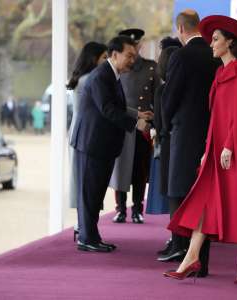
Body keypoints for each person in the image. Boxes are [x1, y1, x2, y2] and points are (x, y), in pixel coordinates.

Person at [163, 15, 237, 283]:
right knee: (206, 201)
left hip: (236, 150)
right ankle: (191, 257)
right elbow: (216, 116)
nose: (210, 44)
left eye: (215, 39)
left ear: (229, 42)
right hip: (216, 150)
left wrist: (228, 146)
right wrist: (208, 148)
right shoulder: (220, 72)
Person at [69, 35, 152, 252]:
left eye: (134, 56)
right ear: (114, 55)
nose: (133, 60)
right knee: (89, 194)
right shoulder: (101, 76)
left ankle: (91, 236)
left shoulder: (110, 74)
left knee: (95, 194)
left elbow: (115, 106)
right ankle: (87, 239)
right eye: (129, 56)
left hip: (101, 145)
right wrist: (136, 123)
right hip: (91, 144)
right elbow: (108, 109)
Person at [157, 10, 220, 275]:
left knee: (179, 194)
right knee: (202, 196)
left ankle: (182, 251)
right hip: (210, 135)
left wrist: (163, 126)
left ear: (181, 28)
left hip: (183, 135)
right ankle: (201, 261)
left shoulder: (181, 56)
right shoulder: (214, 56)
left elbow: (169, 97)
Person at [109, 28, 159, 224]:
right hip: (123, 124)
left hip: (142, 125)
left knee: (139, 169)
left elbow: (157, 98)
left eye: (137, 45)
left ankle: (137, 208)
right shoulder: (117, 67)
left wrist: (153, 124)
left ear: (140, 45)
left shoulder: (151, 67)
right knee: (120, 168)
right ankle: (121, 208)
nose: (134, 50)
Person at [66, 41, 108, 230]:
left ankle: (85, 225)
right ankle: (84, 226)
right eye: (104, 58)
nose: (107, 62)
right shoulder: (90, 80)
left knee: (85, 181)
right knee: (85, 182)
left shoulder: (86, 78)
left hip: (82, 132)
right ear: (94, 59)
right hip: (86, 134)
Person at [150, 37, 182, 255]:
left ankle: (177, 242)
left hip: (169, 145)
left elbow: (160, 123)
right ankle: (181, 241)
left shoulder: (163, 91)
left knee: (173, 198)